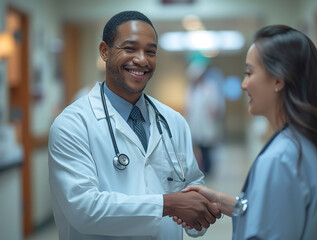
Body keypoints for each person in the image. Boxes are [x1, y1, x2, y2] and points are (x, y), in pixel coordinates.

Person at [175, 25, 317, 239]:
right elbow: (285, 215)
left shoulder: (280, 159)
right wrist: (225, 202)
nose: (244, 85)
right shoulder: (311, 142)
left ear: (278, 80)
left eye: (249, 73)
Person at [48, 11, 220, 240]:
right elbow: (84, 210)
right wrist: (167, 205)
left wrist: (200, 214)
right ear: (104, 52)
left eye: (150, 51)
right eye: (130, 48)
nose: (141, 59)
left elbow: (192, 186)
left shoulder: (173, 121)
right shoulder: (72, 125)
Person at [185, 62, 226, 176]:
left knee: (208, 147)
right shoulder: (191, 89)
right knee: (198, 147)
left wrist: (214, 113)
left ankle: (208, 170)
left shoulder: (210, 87)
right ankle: (201, 168)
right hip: (196, 123)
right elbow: (188, 107)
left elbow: (216, 105)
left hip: (208, 123)